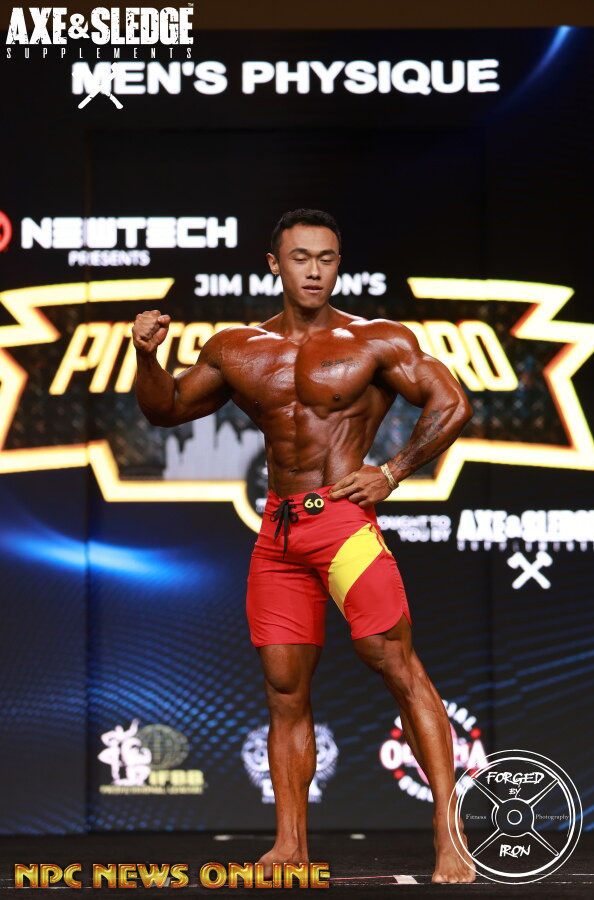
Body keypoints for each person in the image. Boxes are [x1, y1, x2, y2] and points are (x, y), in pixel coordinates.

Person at [133, 209, 475, 884]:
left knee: (396, 664)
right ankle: (289, 845)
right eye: (300, 258)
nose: (314, 270)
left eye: (326, 258)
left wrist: (392, 471)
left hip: (343, 525)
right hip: (279, 535)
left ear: (338, 264)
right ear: (275, 264)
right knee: (284, 690)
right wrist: (145, 355)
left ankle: (449, 832)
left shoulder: (376, 339)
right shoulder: (238, 348)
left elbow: (452, 403)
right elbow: (165, 407)